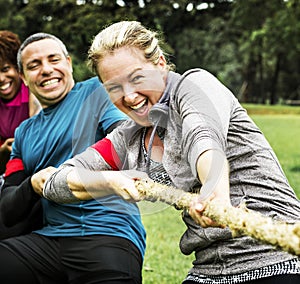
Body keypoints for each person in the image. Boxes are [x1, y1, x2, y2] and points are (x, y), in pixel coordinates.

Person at [42, 21, 300, 284]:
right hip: (208, 270)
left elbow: (204, 137)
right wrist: (110, 181)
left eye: (137, 78)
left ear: (161, 64)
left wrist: (214, 191)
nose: (129, 97)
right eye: (114, 88)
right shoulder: (127, 137)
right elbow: (57, 183)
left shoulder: (194, 87)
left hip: (276, 257)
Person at [0, 32, 146, 284]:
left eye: (53, 60)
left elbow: (126, 140)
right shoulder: (24, 133)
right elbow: (8, 209)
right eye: (34, 66)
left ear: (68, 63)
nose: (46, 70)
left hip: (107, 233)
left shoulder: (97, 92)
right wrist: (33, 184)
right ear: (24, 77)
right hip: (48, 241)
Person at [0, 30, 40, 175]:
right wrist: (3, 151)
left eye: (5, 69)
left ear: (17, 68)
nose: (1, 78)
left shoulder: (33, 90)